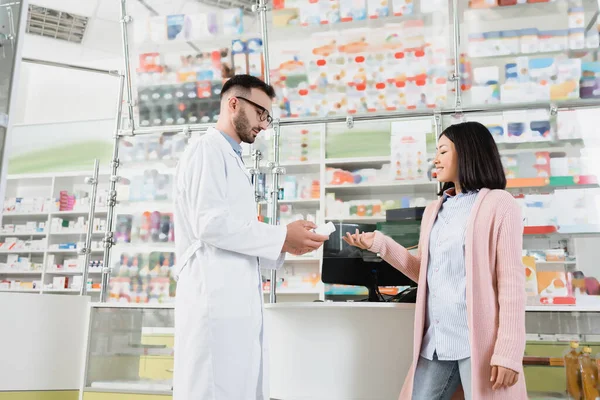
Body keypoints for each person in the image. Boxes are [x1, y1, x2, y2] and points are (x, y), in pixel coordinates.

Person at [344, 121, 527, 400]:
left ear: (467, 153)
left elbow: (511, 285)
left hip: (477, 342)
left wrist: (509, 352)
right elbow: (427, 274)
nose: (435, 159)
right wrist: (379, 244)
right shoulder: (435, 209)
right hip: (437, 340)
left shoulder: (499, 204)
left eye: (443, 151)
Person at [173, 74, 328, 400]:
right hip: (213, 294)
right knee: (215, 385)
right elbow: (210, 223)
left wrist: (284, 243)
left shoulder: (231, 157)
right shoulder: (207, 149)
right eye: (261, 114)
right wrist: (281, 236)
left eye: (267, 117)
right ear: (234, 103)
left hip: (231, 296)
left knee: (236, 383)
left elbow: (233, 230)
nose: (264, 124)